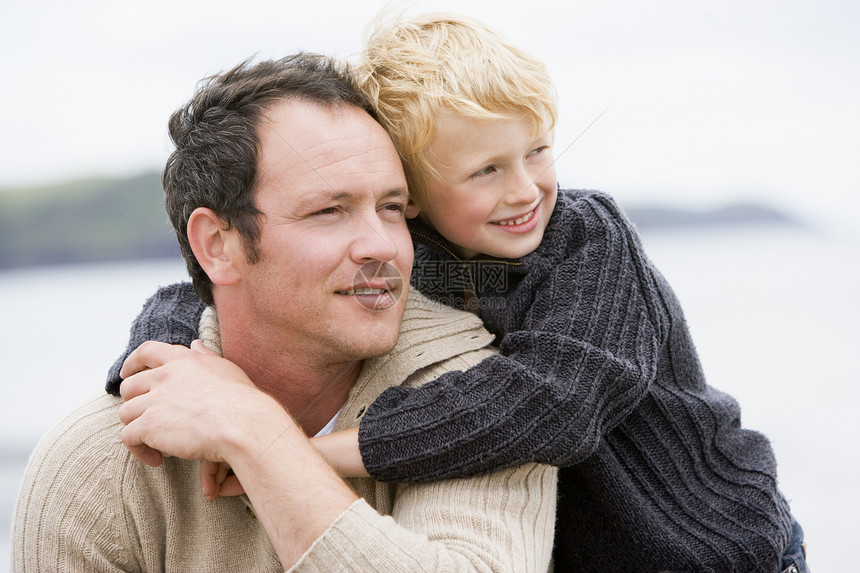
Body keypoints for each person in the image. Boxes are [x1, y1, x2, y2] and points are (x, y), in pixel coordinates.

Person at [104, 13, 808, 573]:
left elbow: (554, 405)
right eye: (486, 170)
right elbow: (195, 295)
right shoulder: (420, 256)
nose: (526, 189)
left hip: (717, 548)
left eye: (537, 149)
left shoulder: (588, 243)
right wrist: (162, 368)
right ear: (412, 196)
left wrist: (296, 453)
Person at [10, 53, 558, 572]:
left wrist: (255, 430)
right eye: (328, 211)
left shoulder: (489, 403)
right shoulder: (98, 466)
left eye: (392, 208)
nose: (382, 245)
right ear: (217, 245)